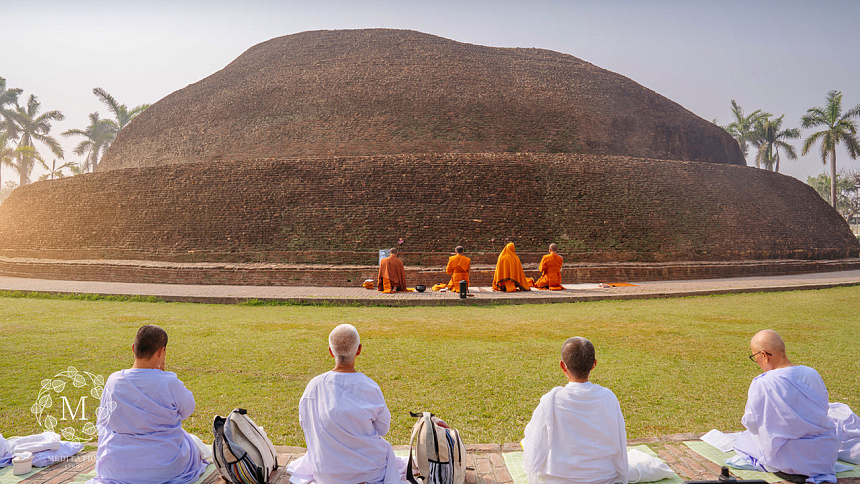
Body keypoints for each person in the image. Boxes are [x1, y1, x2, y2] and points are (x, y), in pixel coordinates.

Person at [287, 324, 406, 484]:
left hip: (325, 474)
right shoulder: (370, 387)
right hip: (369, 474)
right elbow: (383, 429)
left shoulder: (313, 387)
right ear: (359, 350)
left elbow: (306, 424)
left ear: (330, 351)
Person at [89, 325, 207, 484]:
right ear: (160, 352)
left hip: (117, 468)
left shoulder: (114, 381)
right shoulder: (169, 382)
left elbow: (103, 423)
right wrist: (162, 375)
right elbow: (187, 410)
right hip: (163, 468)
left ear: (133, 348)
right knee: (191, 443)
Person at [732, 329, 840, 482]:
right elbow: (823, 410)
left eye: (754, 357)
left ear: (763, 355)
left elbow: (751, 423)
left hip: (787, 459)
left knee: (743, 441)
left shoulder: (762, 383)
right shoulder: (812, 373)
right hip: (822, 455)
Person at [523, 337, 628, 484]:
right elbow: (619, 441)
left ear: (562, 366)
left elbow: (534, 441)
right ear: (594, 364)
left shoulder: (551, 400)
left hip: (558, 480)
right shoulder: (608, 397)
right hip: (604, 478)